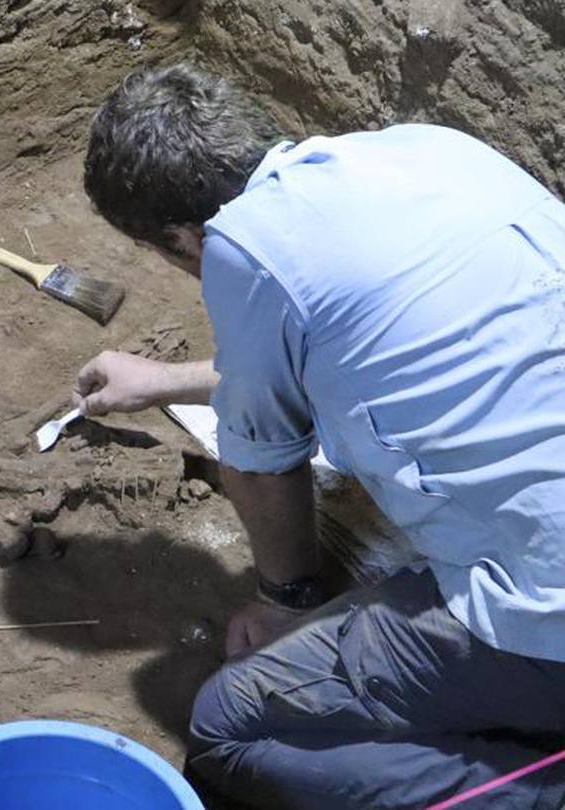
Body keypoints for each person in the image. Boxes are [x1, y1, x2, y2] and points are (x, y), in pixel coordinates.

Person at [78, 63, 565, 809]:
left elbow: (262, 461)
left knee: (230, 726)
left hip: (551, 613)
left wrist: (285, 600)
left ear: (180, 238)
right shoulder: (431, 151)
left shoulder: (242, 247)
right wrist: (164, 380)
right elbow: (340, 347)